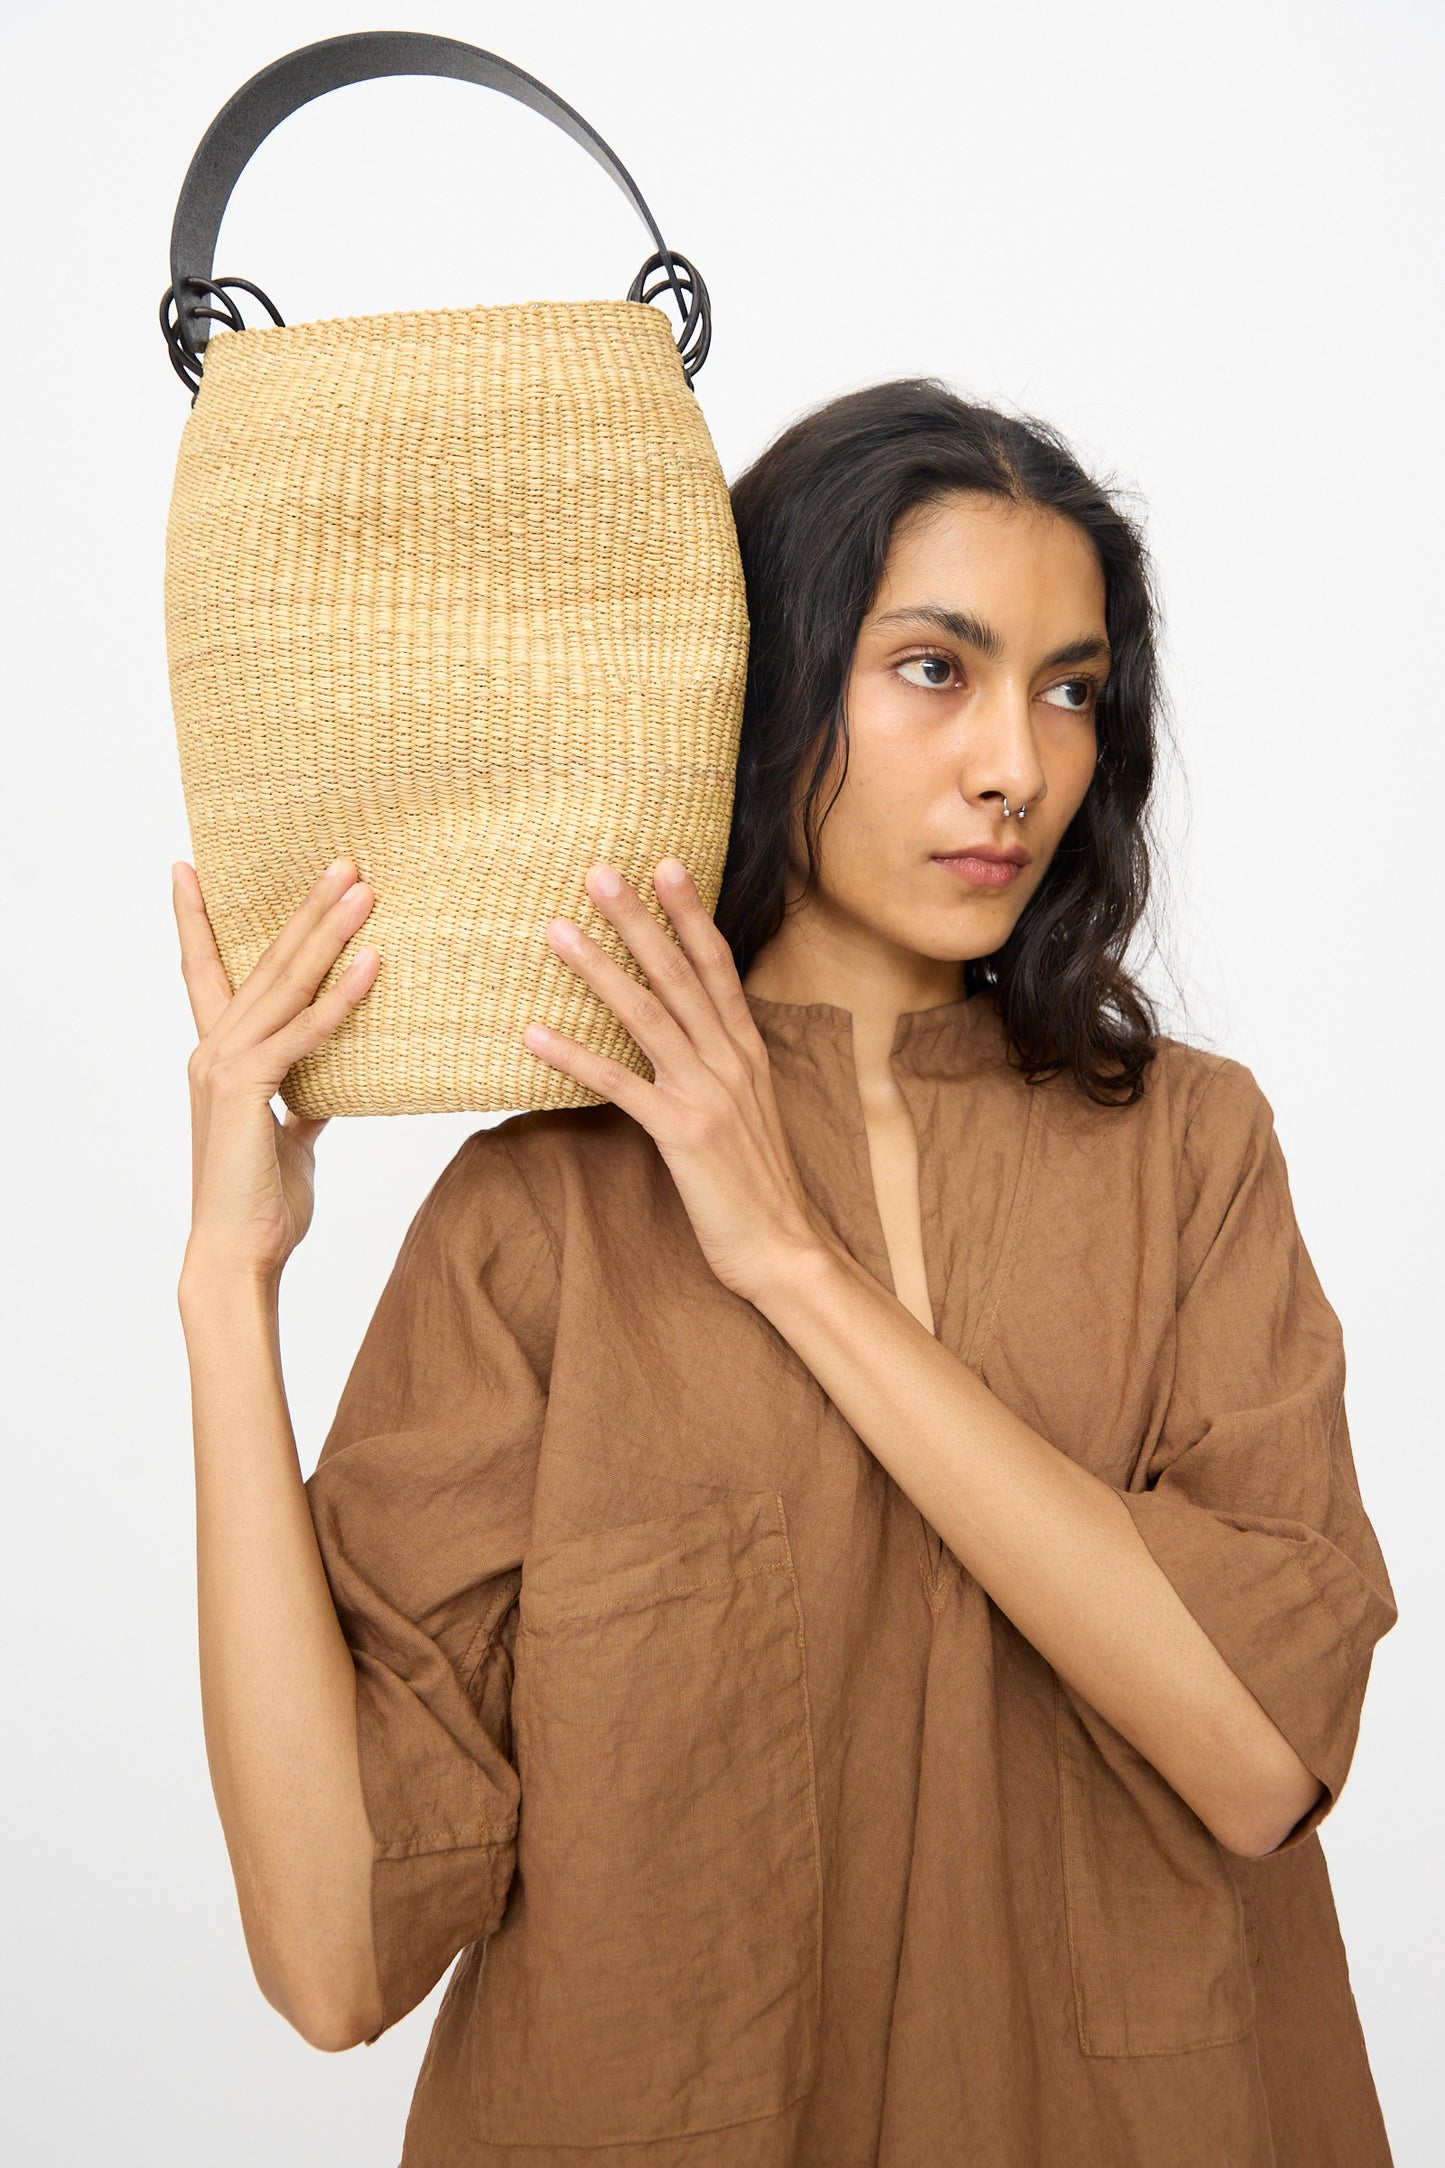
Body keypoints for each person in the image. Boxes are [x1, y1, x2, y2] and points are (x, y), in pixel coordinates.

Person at [172, 380, 1398, 2166]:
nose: (1016, 766)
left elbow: (1258, 1756)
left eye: (1070, 690)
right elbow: (331, 1956)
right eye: (934, 669)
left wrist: (792, 1264)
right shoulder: (543, 1217)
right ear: (762, 687)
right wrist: (225, 1290)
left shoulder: (1188, 1150)